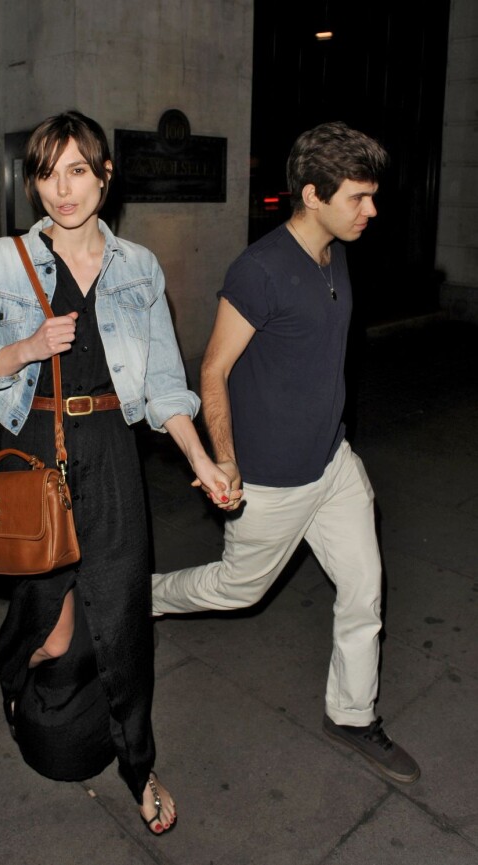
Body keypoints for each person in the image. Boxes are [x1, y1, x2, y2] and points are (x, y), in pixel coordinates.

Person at [0, 109, 234, 835]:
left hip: (110, 447)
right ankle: (18, 678)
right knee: (49, 628)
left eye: (78, 170)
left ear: (107, 176)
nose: (62, 189)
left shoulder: (138, 266)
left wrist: (204, 462)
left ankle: (138, 765)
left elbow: (168, 386)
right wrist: (25, 347)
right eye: (47, 172)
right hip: (34, 448)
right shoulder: (3, 261)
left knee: (124, 619)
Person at [152, 121, 420, 784]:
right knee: (234, 589)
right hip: (271, 480)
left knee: (364, 587)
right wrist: (227, 461)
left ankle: (352, 714)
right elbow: (212, 369)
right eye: (358, 197)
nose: (371, 210)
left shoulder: (337, 250)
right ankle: (141, 595)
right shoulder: (261, 270)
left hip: (332, 463)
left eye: (371, 195)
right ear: (311, 194)